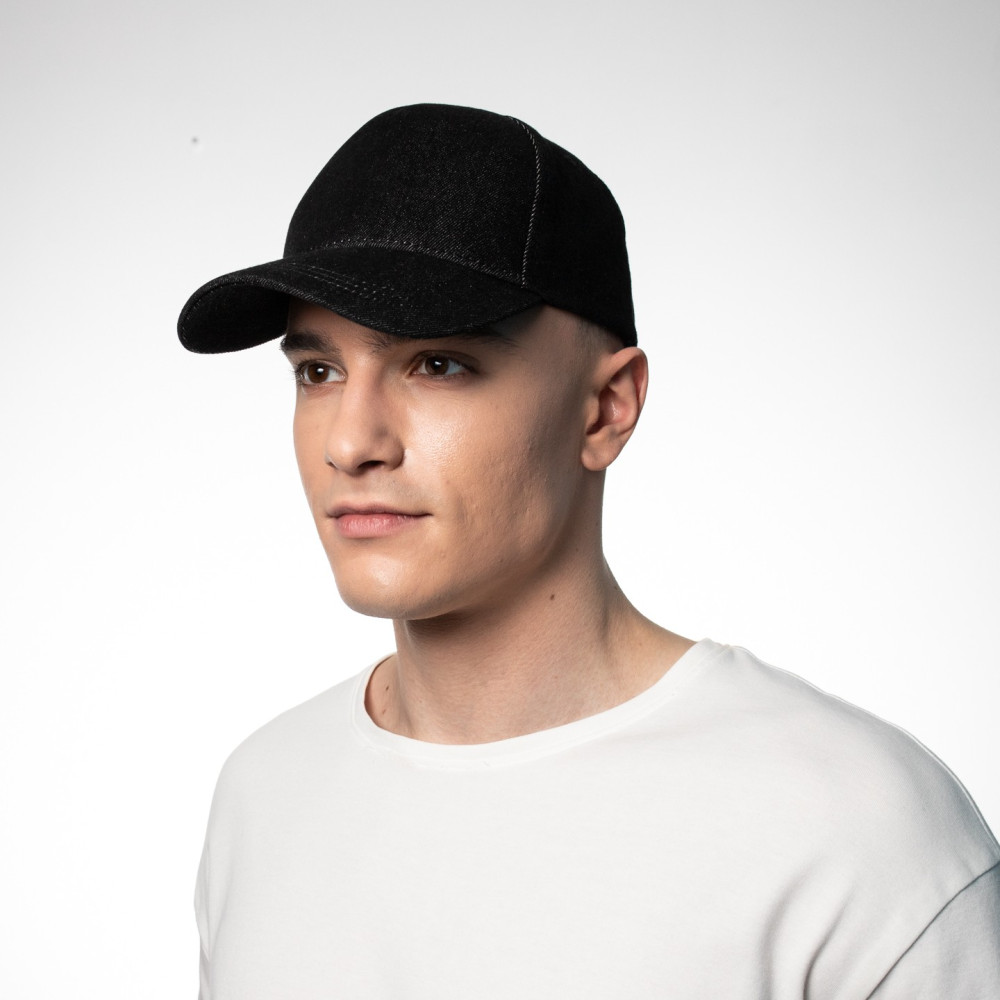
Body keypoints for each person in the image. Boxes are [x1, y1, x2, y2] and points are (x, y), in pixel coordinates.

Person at [178, 104, 1000, 1000]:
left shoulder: (851, 834)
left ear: (607, 409)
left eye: (438, 364)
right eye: (318, 371)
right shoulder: (265, 795)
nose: (351, 442)